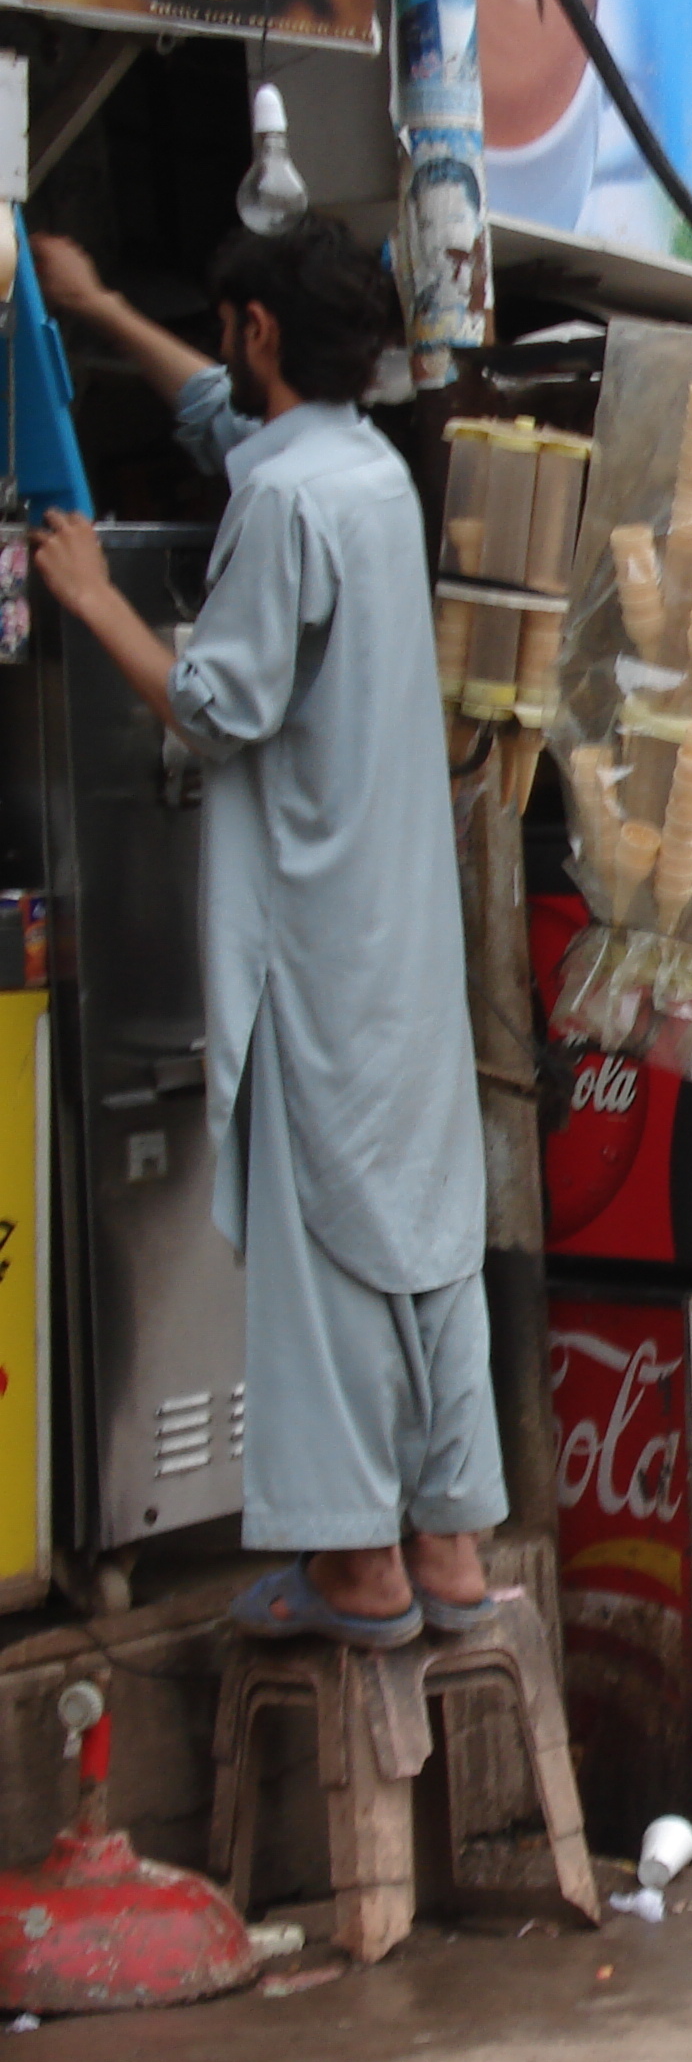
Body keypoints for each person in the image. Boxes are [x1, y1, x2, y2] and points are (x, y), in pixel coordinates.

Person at [30, 226, 496, 1648]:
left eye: (234, 327)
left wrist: (94, 594)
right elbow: (231, 426)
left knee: (331, 1243)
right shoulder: (362, 472)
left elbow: (220, 706)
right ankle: (450, 1544)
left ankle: (356, 1570)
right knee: (420, 1230)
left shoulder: (293, 506)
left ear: (261, 334)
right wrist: (103, 305)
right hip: (400, 939)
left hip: (317, 940)